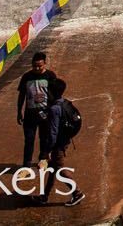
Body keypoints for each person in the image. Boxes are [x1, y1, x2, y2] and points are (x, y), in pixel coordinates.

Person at [39, 77, 85, 206]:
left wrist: (46, 151)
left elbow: (53, 133)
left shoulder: (55, 109)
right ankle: (44, 196)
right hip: (65, 139)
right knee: (54, 168)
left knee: (59, 169)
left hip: (58, 144)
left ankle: (77, 193)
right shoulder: (64, 102)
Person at [16, 52, 61, 165]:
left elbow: (57, 94)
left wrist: (56, 112)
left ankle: (43, 159)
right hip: (29, 114)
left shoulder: (50, 76)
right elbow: (21, 96)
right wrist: (19, 112)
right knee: (29, 140)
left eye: (39, 66)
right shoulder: (26, 77)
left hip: (45, 114)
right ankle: (26, 164)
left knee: (44, 138)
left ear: (45, 63)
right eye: (34, 66)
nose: (37, 68)